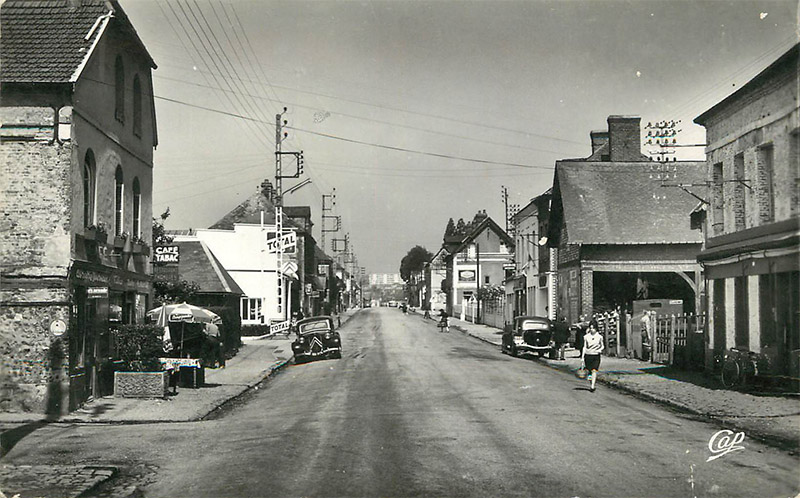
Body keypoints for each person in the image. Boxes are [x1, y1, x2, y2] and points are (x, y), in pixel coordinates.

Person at [581, 318, 603, 392]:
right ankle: (591, 380)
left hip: (596, 355)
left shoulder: (599, 337)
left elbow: (602, 346)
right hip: (588, 355)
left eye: (593, 328)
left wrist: (600, 350)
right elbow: (584, 347)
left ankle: (592, 386)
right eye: (590, 328)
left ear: (596, 328)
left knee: (594, 370)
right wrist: (582, 357)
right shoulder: (586, 337)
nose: (592, 330)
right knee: (589, 371)